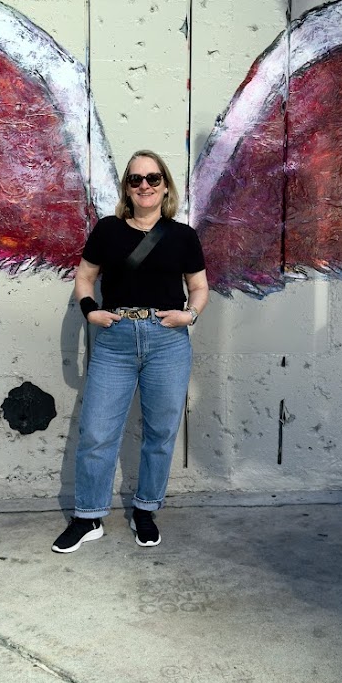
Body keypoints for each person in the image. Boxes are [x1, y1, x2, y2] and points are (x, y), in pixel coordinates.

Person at [52, 150, 208, 553]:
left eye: (153, 178)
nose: (144, 186)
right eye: (136, 179)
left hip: (166, 340)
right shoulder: (107, 231)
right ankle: (88, 517)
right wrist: (91, 312)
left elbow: (200, 286)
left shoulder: (183, 236)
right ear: (127, 187)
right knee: (97, 431)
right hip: (116, 340)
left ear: (165, 185)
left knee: (160, 432)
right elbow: (85, 277)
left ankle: (145, 511)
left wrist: (188, 316)